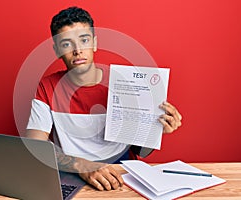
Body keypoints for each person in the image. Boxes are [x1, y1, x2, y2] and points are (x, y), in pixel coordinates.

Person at [26, 6, 182, 191]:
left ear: (94, 43)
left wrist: (154, 129)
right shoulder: (47, 86)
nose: (78, 51)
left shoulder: (124, 82)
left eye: (84, 40)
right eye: (67, 44)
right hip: (72, 174)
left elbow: (141, 152)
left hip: (121, 174)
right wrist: (81, 166)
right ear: (57, 49)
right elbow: (35, 145)